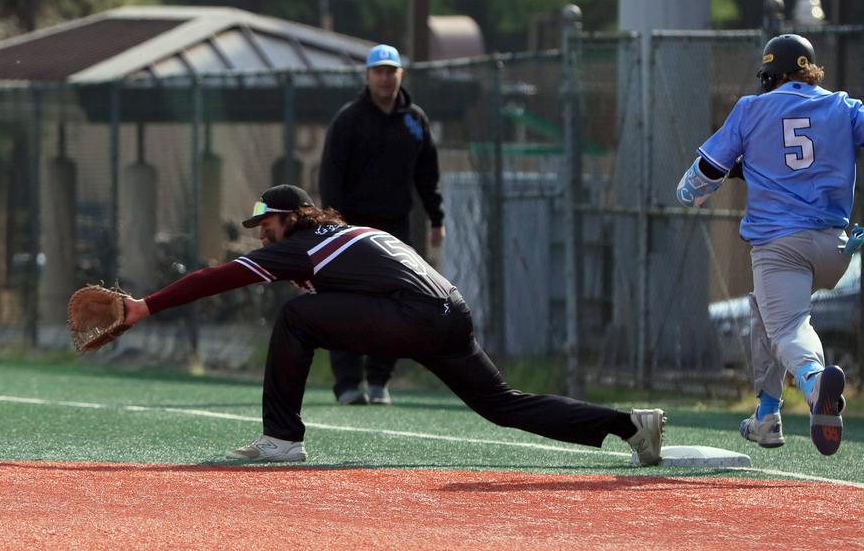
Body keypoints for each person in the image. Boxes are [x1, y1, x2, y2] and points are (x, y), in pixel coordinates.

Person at [120, 184, 666, 466]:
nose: (262, 234)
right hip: (450, 311)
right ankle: (630, 426)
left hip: (415, 317)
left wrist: (146, 305)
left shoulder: (301, 247)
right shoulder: (357, 233)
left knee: (295, 317)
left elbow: (216, 277)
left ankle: (282, 439)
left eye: (266, 223)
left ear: (291, 219)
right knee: (504, 405)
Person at [675, 34, 861, 456]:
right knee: (765, 312)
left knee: (788, 327)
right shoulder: (843, 106)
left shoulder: (751, 108)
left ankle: (816, 387)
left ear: (770, 76)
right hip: (837, 248)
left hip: (780, 246)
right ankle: (767, 414)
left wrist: (692, 191)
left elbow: (703, 176)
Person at [318, 44, 446, 406]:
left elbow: (427, 175)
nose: (385, 78)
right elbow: (331, 175)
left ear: (400, 75)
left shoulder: (414, 120)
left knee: (394, 304)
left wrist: (437, 218)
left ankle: (378, 381)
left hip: (395, 228)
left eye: (392, 71)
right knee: (347, 303)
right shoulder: (349, 119)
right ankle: (347, 383)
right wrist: (334, 224)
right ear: (368, 76)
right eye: (379, 71)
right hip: (351, 229)